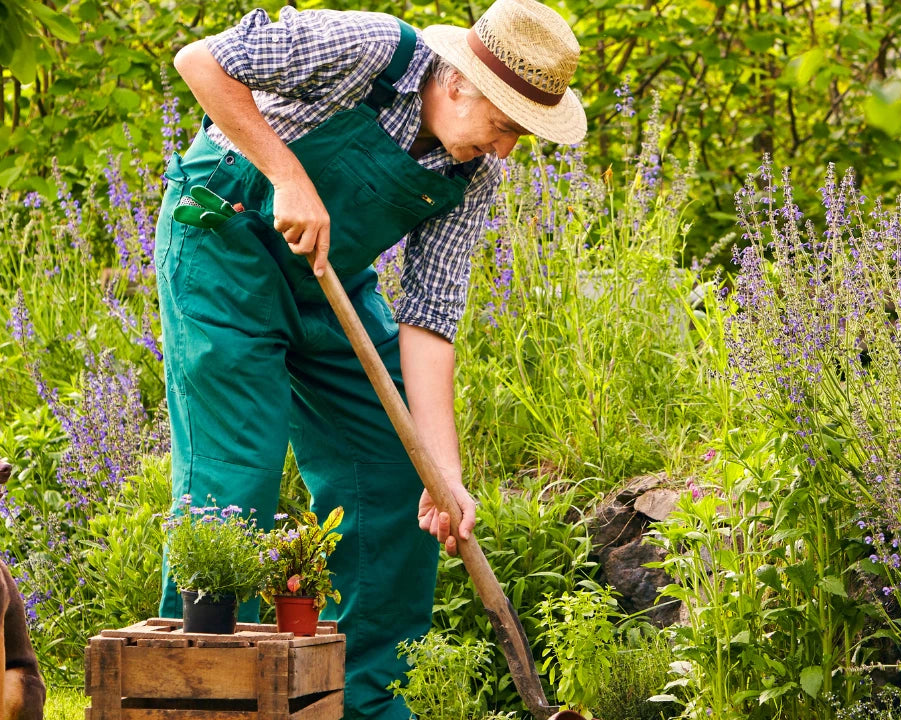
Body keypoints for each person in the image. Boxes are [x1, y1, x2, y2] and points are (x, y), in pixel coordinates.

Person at [155, 0, 587, 716]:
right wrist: (288, 176)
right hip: (221, 250)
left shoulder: (468, 178)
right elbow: (201, 62)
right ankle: (190, 697)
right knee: (234, 482)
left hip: (330, 284)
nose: (507, 149)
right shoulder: (368, 49)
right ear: (458, 85)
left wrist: (443, 476)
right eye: (505, 126)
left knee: (397, 471)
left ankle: (357, 698)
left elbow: (429, 319)